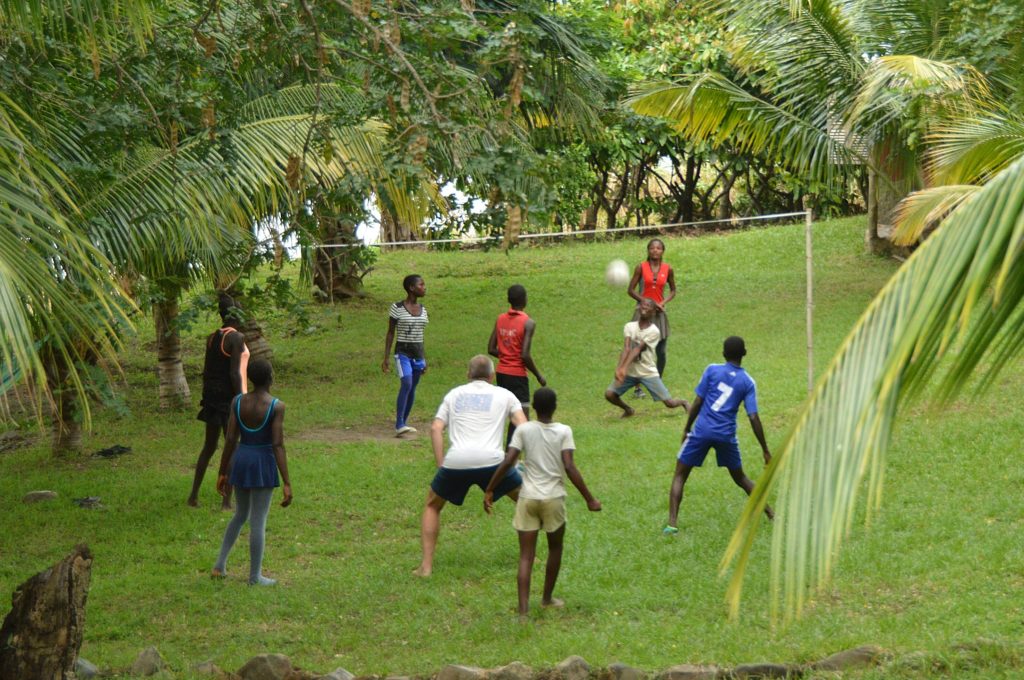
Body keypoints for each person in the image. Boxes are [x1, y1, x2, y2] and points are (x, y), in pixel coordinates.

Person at [484, 387, 601, 621]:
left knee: (526, 555)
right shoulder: (563, 432)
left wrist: (490, 488)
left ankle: (523, 610)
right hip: (553, 499)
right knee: (555, 548)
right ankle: (547, 599)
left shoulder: (524, 430)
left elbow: (509, 460)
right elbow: (569, 467)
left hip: (527, 498)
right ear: (555, 406)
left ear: (534, 408)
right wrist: (590, 498)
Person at [414, 355, 526, 577]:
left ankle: (426, 566)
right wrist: (515, 460)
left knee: (432, 506)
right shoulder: (504, 394)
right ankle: (527, 557)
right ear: (492, 376)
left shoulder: (454, 394)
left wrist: (441, 466)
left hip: (456, 462)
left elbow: (436, 428)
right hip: (494, 463)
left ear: (468, 375)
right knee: (527, 501)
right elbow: (523, 426)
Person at [665, 336, 774, 535]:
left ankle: (672, 524)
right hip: (726, 435)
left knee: (680, 474)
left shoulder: (712, 370)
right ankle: (770, 513)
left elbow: (698, 402)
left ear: (724, 354)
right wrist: (765, 450)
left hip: (702, 431)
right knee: (740, 478)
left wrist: (687, 428)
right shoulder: (747, 382)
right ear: (745, 354)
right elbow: (753, 417)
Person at [211, 358, 292, 585]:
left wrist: (222, 472)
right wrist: (286, 481)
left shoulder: (238, 401)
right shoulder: (276, 406)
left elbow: (229, 438)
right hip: (262, 462)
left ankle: (219, 565)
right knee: (258, 521)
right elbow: (277, 444)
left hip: (241, 459)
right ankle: (254, 576)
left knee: (240, 514)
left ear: (250, 379)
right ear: (271, 378)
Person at [188, 293, 250, 509]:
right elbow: (235, 373)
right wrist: (240, 399)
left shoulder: (213, 337)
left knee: (209, 446)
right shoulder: (236, 338)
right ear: (235, 315)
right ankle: (226, 501)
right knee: (232, 447)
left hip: (212, 398)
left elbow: (208, 370)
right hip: (229, 400)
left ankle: (193, 496)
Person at [604, 298, 689, 417]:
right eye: (643, 304)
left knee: (669, 403)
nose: (645, 306)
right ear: (638, 308)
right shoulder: (629, 326)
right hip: (630, 372)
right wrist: (620, 368)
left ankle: (683, 402)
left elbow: (638, 349)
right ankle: (628, 410)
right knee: (610, 394)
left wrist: (623, 368)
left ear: (654, 312)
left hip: (647, 371)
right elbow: (626, 348)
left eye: (649, 306)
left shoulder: (654, 331)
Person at [488, 284, 546, 444]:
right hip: (517, 376)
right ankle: (512, 458)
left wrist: (506, 355)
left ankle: (507, 455)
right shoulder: (528, 323)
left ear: (508, 300)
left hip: (501, 373)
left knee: (508, 414)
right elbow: (525, 355)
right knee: (522, 418)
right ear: (525, 299)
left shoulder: (500, 319)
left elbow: (491, 348)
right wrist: (539, 375)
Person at [628, 238, 676, 397]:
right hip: (642, 313)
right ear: (648, 250)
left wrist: (662, 302)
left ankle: (658, 384)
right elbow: (631, 290)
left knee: (661, 351)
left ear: (663, 251)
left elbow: (673, 290)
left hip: (659, 314)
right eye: (652, 248)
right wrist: (645, 302)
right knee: (639, 351)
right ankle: (637, 388)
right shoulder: (640, 267)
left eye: (658, 248)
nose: (655, 251)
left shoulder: (668, 269)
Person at [382, 274, 429, 437]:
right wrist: (386, 358)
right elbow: (390, 333)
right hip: (402, 352)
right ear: (411, 288)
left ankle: (404, 422)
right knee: (407, 383)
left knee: (412, 387)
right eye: (421, 285)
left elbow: (421, 336)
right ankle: (399, 424)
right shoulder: (397, 308)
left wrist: (424, 358)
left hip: (418, 354)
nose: (424, 287)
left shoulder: (424, 310)